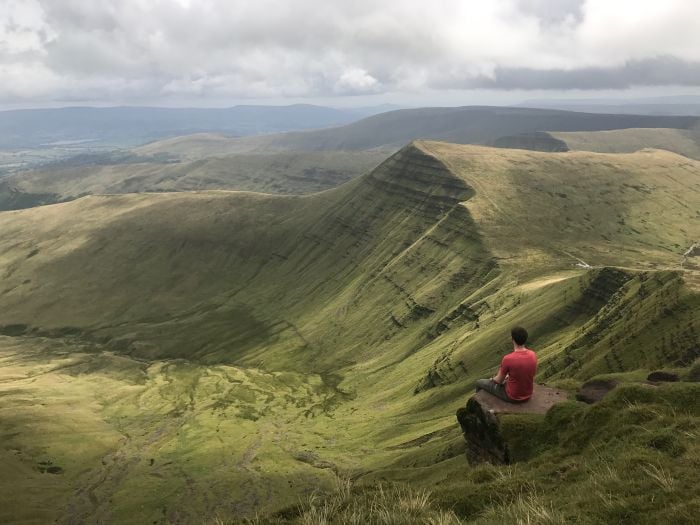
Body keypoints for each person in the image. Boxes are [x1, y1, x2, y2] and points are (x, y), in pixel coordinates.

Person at [475, 326, 537, 403]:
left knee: (479, 382)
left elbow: (499, 381)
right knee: (505, 378)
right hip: (528, 394)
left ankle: (479, 404)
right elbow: (527, 372)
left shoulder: (508, 359)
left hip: (513, 397)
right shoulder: (533, 354)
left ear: (512, 340)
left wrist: (492, 379)